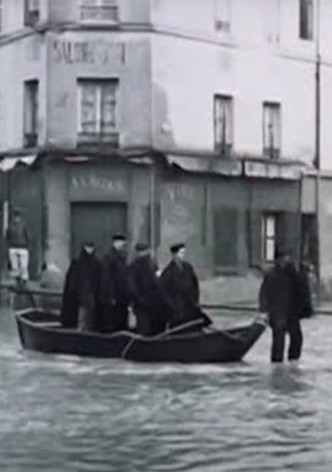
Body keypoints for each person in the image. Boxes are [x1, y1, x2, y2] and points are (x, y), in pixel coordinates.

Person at [259, 250, 313, 363]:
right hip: (277, 312)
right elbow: (264, 294)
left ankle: (292, 360)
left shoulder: (294, 274)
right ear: (278, 261)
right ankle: (277, 361)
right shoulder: (272, 275)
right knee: (279, 340)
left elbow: (303, 291)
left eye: (288, 258)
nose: (287, 260)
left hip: (291, 312)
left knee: (296, 337)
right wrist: (264, 311)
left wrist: (306, 309)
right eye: (284, 258)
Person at [160, 243, 211, 329]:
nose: (183, 256)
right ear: (174, 255)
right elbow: (164, 293)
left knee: (195, 323)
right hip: (177, 306)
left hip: (189, 303)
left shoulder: (188, 267)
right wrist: (172, 306)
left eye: (184, 253)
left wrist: (195, 299)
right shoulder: (168, 272)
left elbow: (195, 284)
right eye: (181, 253)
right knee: (179, 326)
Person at [129, 243, 173, 336]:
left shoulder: (139, 266)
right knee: (152, 331)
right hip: (150, 305)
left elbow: (133, 288)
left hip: (146, 305)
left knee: (146, 331)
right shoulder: (149, 265)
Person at [60, 242, 101, 332]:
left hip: (91, 296)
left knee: (89, 319)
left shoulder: (96, 263)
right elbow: (74, 282)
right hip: (82, 297)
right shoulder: (79, 263)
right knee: (83, 318)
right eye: (88, 247)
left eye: (91, 247)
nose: (89, 249)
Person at [98, 235, 131, 333]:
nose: (123, 245)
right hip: (114, 298)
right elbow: (107, 279)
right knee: (113, 322)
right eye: (121, 243)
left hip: (121, 297)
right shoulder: (109, 258)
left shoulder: (121, 258)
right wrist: (111, 296)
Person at [6, 209, 29, 285]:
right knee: (16, 265)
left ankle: (23, 279)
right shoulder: (20, 225)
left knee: (22, 265)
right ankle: (20, 279)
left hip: (19, 247)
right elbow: (27, 236)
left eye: (17, 216)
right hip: (17, 247)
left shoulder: (11, 226)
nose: (16, 218)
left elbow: (8, 236)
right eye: (15, 216)